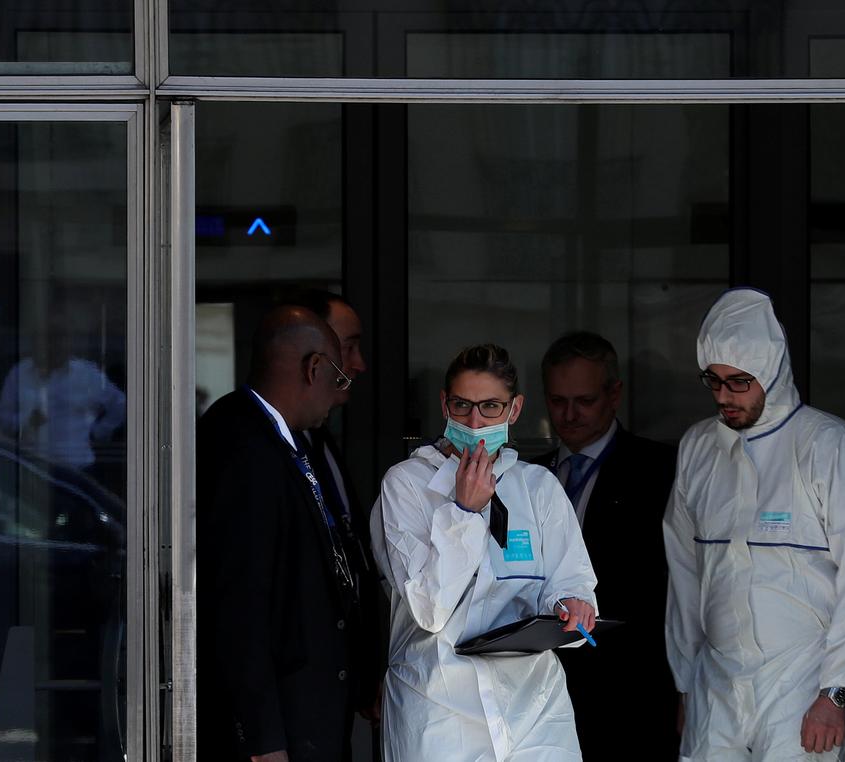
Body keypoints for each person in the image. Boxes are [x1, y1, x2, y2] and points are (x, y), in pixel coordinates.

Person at [664, 288, 845, 761]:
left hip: (804, 681)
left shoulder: (830, 446)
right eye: (714, 381)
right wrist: (685, 683)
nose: (725, 396)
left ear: (771, 371)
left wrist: (836, 691)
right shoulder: (698, 449)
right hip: (718, 684)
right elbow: (684, 575)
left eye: (739, 381)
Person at [369, 344, 598, 761]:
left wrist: (572, 604)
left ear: (514, 410)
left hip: (535, 707)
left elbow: (570, 579)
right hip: (439, 706)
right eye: (462, 406)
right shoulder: (406, 485)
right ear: (444, 404)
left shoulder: (538, 487)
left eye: (490, 407)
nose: (475, 422)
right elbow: (430, 610)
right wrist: (463, 511)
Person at [196, 305, 361, 762]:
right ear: (314, 368)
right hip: (276, 733)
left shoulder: (277, 436)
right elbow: (239, 605)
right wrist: (264, 738)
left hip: (304, 720)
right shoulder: (242, 444)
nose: (336, 394)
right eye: (338, 379)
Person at [531, 330, 679, 759]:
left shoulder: (660, 472)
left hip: (632, 690)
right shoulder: (526, 477)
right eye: (558, 401)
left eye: (585, 400)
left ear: (614, 394)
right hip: (542, 686)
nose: (570, 414)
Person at [287, 290, 384, 729]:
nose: (358, 364)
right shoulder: (268, 449)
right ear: (314, 358)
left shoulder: (322, 441)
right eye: (347, 347)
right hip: (294, 700)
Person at [0, 317, 125, 473]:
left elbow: (120, 404)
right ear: (35, 343)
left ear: (68, 343)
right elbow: (3, 418)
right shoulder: (19, 374)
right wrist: (26, 421)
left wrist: (97, 432)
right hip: (30, 470)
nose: (52, 346)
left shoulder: (87, 375)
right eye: (46, 339)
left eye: (58, 339)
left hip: (76, 471)